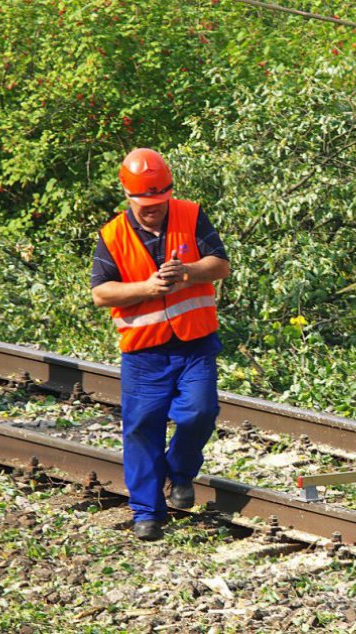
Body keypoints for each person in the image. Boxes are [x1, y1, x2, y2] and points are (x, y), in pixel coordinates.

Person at [91, 148, 230, 541]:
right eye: (144, 203)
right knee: (141, 428)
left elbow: (219, 264)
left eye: (158, 202)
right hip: (144, 350)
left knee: (200, 412)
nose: (153, 210)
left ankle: (180, 471)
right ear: (128, 196)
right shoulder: (112, 235)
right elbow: (101, 294)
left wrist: (188, 272)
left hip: (195, 342)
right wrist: (147, 288)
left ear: (169, 193)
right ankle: (147, 513)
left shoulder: (190, 214)